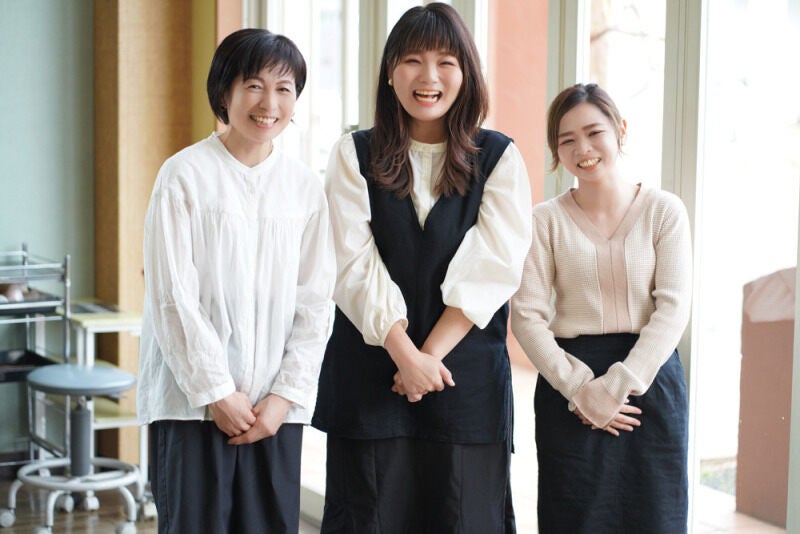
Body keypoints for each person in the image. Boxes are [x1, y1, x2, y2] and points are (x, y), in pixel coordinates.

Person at [311, 3, 532, 533]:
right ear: (390, 71)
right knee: (369, 517)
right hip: (371, 378)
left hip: (465, 384)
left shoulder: (499, 157)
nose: (428, 76)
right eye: (412, 60)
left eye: (445, 62)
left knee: (464, 518)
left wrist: (424, 362)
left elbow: (493, 267)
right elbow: (351, 264)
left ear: (466, 73)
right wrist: (404, 355)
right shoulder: (353, 154)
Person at [137, 29, 335, 533]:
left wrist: (283, 397)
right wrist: (216, 392)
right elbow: (172, 298)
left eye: (284, 88)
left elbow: (316, 303)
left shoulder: (304, 188)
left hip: (274, 413)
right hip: (193, 406)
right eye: (254, 85)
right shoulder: (184, 176)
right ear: (224, 91)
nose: (269, 103)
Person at [510, 83, 693, 533]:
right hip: (571, 383)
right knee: (576, 517)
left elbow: (672, 309)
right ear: (556, 150)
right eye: (567, 140)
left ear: (620, 130)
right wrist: (580, 390)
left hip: (648, 382)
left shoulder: (664, 211)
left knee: (654, 516)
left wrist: (617, 387)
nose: (583, 149)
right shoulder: (544, 220)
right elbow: (527, 316)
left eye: (594, 133)